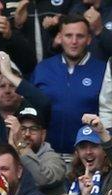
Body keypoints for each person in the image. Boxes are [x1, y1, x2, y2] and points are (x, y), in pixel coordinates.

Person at [31, 14, 105, 154]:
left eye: (80, 36)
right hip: (46, 155)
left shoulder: (103, 71)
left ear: (89, 39)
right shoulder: (43, 69)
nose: (74, 41)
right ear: (59, 37)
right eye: (68, 35)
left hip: (87, 156)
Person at [9, 107, 67, 195]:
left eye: (33, 129)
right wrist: (11, 152)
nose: (27, 134)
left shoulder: (54, 159)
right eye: (22, 129)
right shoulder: (9, 157)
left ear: (43, 134)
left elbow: (43, 179)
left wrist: (20, 144)